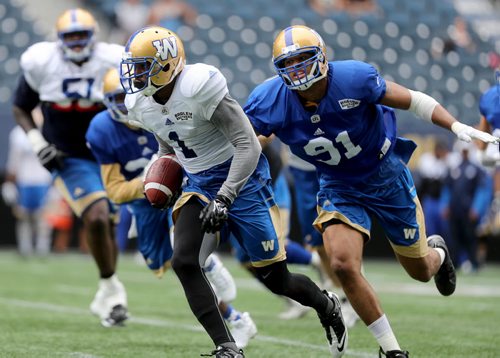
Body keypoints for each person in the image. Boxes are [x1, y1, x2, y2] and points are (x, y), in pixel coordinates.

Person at [244, 25, 500, 357]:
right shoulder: (269, 100)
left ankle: (438, 253)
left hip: (385, 176)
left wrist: (455, 125)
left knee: (420, 270)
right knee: (342, 264)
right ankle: (391, 349)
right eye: (288, 65)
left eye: (304, 60)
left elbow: (413, 100)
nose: (297, 71)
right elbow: (246, 142)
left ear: (322, 57)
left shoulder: (353, 78)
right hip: (338, 184)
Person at [119, 26, 348, 357]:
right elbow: (167, 142)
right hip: (198, 184)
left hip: (244, 181)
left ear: (167, 63)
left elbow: (248, 145)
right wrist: (161, 172)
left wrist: (225, 197)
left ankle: (325, 305)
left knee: (275, 278)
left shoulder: (198, 85)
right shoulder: (140, 103)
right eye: (135, 67)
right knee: (184, 261)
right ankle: (227, 346)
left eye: (144, 67)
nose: (137, 75)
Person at [85, 67, 257, 348]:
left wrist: (171, 180)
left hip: (186, 186)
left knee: (185, 255)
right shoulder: (103, 129)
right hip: (146, 204)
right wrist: (152, 183)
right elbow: (114, 190)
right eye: (116, 98)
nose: (124, 103)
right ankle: (237, 318)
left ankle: (210, 266)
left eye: (126, 95)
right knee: (161, 262)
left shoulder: (156, 107)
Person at [12, 8, 128, 327]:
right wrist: (38, 144)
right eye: (70, 36)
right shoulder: (41, 62)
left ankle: (110, 290)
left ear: (94, 37)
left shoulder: (113, 59)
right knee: (97, 215)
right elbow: (20, 107)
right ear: (59, 39)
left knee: (112, 221)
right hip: (68, 156)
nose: (76, 42)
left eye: (82, 35)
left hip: (110, 152)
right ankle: (111, 288)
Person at [2, 125, 53, 258]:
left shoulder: (46, 131)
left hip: (43, 180)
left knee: (42, 218)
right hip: (24, 180)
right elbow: (13, 160)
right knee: (24, 216)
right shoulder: (18, 133)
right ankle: (25, 247)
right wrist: (9, 183)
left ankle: (42, 248)